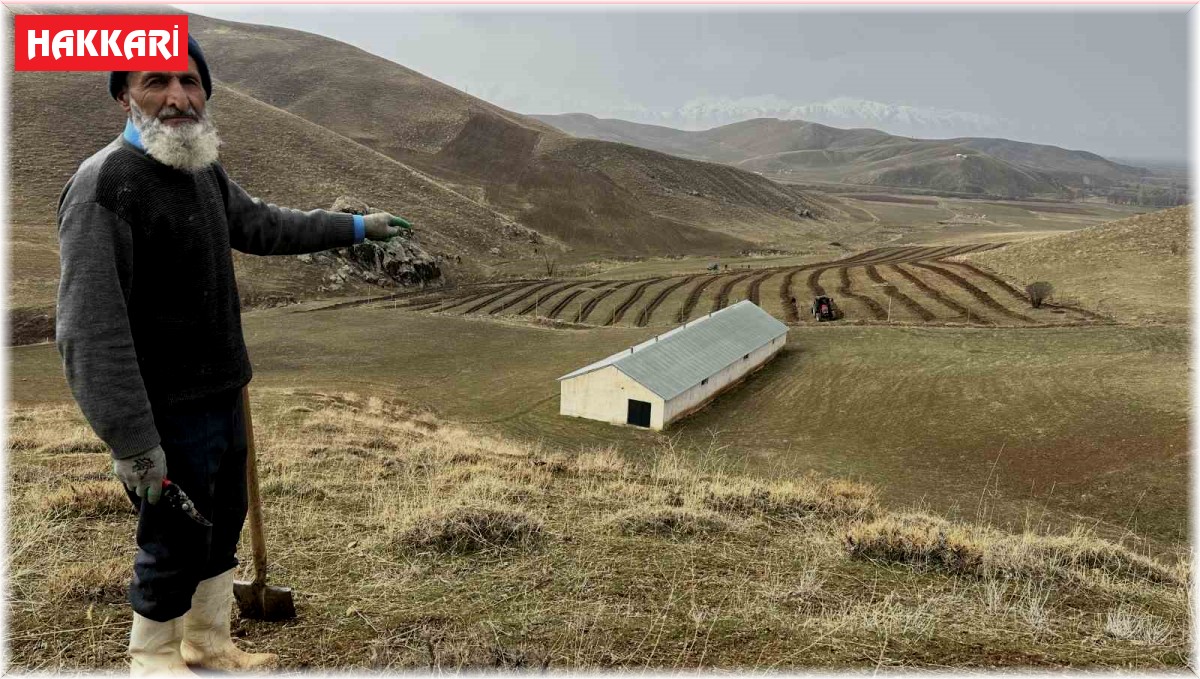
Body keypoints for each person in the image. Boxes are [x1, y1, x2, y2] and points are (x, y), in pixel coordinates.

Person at [54, 35, 412, 675]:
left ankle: (208, 645)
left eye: (190, 83)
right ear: (122, 95)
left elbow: (262, 225)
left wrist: (356, 226)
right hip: (163, 406)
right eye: (155, 82)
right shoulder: (104, 186)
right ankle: (154, 657)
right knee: (172, 538)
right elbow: (88, 328)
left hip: (223, 391)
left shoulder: (200, 166)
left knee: (221, 524)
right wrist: (133, 441)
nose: (177, 97)